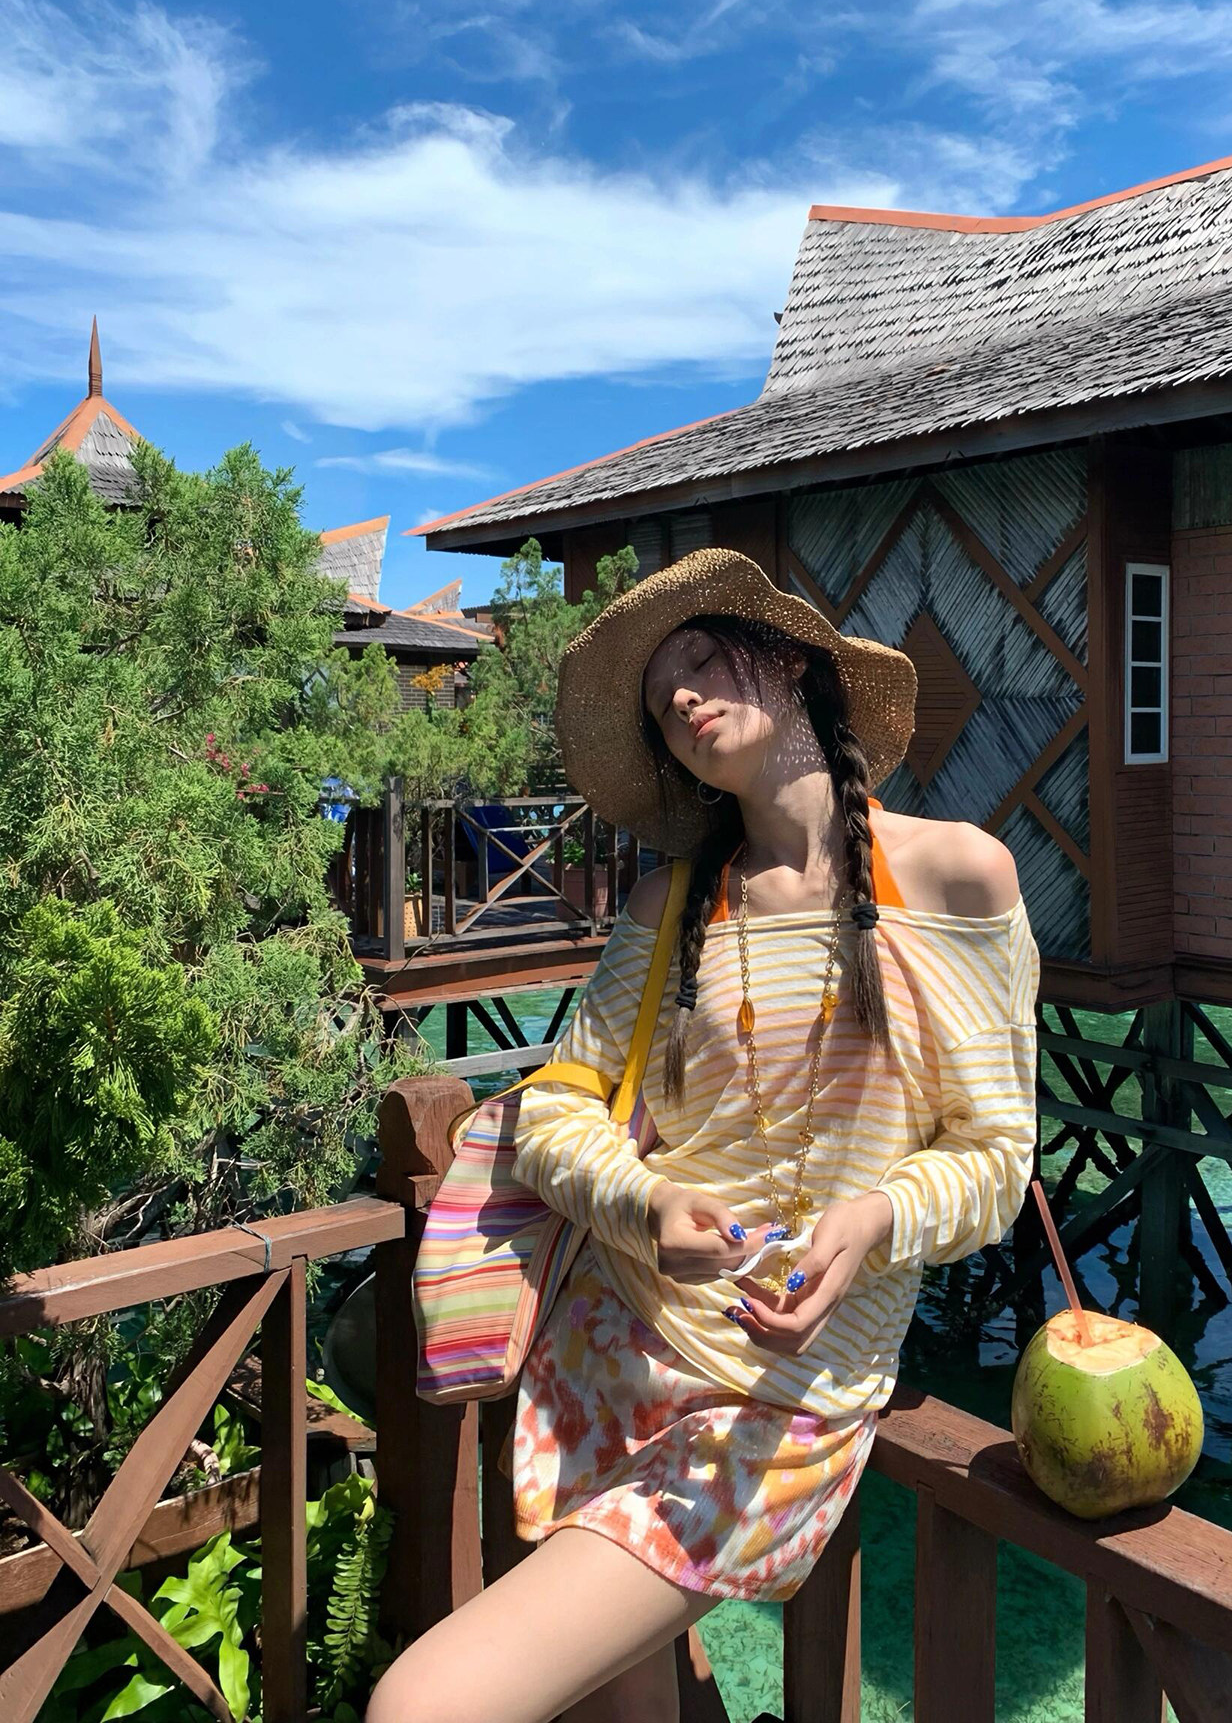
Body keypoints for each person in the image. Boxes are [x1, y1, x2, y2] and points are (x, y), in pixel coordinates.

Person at [369, 548, 1040, 1723]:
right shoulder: (671, 903)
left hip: (776, 1399)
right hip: (607, 1347)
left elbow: (995, 1157)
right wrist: (643, 1204)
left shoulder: (956, 878)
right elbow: (559, 1109)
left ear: (798, 665)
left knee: (422, 1703)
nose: (679, 694)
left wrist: (876, 1217)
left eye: (702, 655)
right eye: (657, 696)